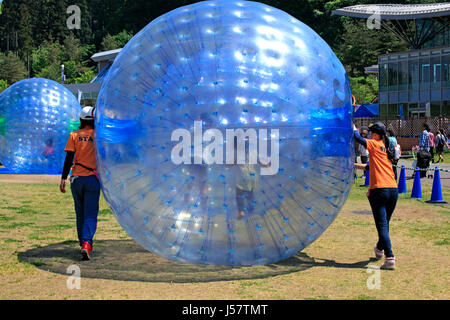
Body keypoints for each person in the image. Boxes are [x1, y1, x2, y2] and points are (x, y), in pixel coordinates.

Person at [353, 121, 398, 270]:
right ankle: (380, 249)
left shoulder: (373, 143)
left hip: (380, 190)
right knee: (384, 224)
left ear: (376, 134)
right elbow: (369, 167)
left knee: (382, 225)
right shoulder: (384, 149)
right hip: (393, 190)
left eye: (371, 132)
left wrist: (353, 127)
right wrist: (351, 165)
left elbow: (357, 138)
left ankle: (390, 257)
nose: (370, 134)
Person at [60, 106, 99, 261]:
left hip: (76, 178)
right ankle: (86, 243)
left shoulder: (74, 135)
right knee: (90, 213)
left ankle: (82, 242)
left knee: (80, 213)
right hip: (92, 179)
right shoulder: (98, 136)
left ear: (82, 120)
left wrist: (63, 178)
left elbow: (69, 158)